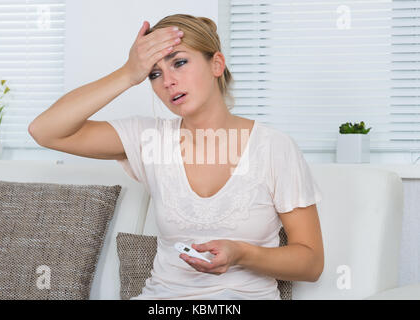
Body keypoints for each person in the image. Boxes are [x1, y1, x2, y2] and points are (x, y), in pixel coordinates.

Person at [28, 13, 324, 300]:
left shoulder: (274, 147)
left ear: (216, 64)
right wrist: (128, 73)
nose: (167, 81)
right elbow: (45, 131)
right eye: (154, 74)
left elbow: (310, 263)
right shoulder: (149, 139)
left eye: (179, 63)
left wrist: (242, 254)